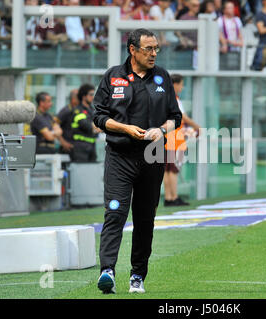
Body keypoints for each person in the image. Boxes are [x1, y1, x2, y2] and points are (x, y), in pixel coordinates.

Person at [93, 28, 182, 294]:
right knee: (115, 212)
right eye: (148, 49)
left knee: (145, 218)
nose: (154, 53)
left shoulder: (162, 77)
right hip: (119, 156)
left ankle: (137, 275)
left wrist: (162, 130)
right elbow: (98, 117)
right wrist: (124, 128)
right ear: (132, 50)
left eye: (156, 48)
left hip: (152, 157)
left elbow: (174, 116)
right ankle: (107, 270)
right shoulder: (113, 76)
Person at [164, 73, 200, 207]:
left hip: (166, 138)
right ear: (175, 84)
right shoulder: (175, 99)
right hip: (175, 139)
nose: (182, 87)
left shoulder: (163, 97)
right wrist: (197, 127)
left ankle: (168, 197)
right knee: (173, 170)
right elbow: (183, 118)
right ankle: (173, 197)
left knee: (167, 170)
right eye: (181, 84)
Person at [70, 84, 100, 162]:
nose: (93, 97)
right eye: (91, 94)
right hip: (80, 147)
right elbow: (87, 126)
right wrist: (96, 127)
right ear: (84, 96)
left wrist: (97, 127)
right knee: (81, 172)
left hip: (92, 146)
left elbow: (99, 125)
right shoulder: (77, 110)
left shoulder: (92, 110)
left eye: (93, 94)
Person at [54, 89, 78, 156]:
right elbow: (54, 125)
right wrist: (63, 142)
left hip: (77, 148)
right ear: (73, 99)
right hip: (67, 148)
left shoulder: (79, 110)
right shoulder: (66, 110)